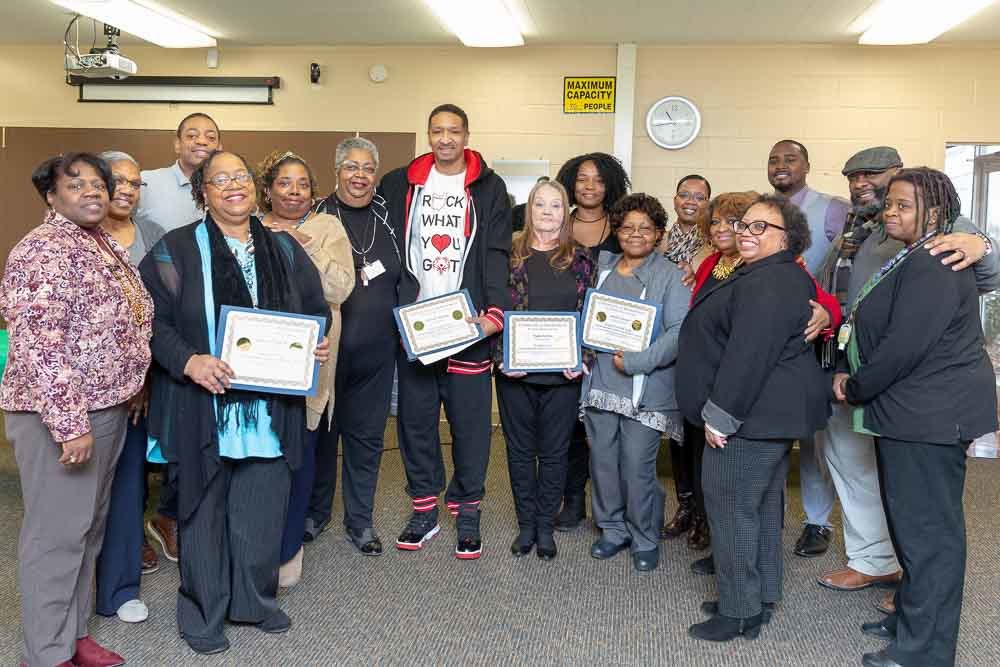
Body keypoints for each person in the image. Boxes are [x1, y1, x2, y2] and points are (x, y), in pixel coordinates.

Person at [138, 150, 330, 655]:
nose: (233, 186)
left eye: (241, 176)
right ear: (203, 192)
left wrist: (317, 341)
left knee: (261, 508)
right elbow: (151, 321)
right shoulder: (174, 251)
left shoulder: (285, 249)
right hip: (205, 403)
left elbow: (314, 310)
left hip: (269, 407)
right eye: (219, 179)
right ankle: (203, 613)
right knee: (203, 511)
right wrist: (189, 361)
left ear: (256, 186)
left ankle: (254, 602)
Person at [815, 148, 1000, 611]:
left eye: (872, 175)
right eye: (853, 175)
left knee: (921, 509)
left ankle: (916, 596)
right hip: (856, 367)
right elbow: (836, 291)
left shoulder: (944, 234)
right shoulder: (859, 231)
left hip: (913, 390)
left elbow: (984, 272)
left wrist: (986, 246)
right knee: (858, 471)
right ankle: (874, 562)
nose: (861, 183)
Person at [3, 152, 153, 667]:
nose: (92, 191)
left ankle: (73, 637)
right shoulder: (43, 251)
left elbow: (124, 323)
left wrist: (132, 383)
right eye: (76, 184)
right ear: (51, 195)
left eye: (99, 183)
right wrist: (69, 426)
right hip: (60, 418)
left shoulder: (99, 243)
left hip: (106, 409)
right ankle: (45, 655)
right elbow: (41, 347)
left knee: (88, 528)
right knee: (56, 536)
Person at [679, 195, 829, 642]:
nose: (746, 231)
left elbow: (749, 355)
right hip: (766, 416)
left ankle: (738, 611)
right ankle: (761, 595)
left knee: (731, 511)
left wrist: (721, 417)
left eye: (761, 227)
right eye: (745, 224)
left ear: (789, 239)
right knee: (760, 509)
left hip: (748, 418)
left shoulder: (771, 280)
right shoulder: (765, 274)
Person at [380, 103, 511, 559]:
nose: (445, 139)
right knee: (416, 424)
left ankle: (468, 506)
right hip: (416, 328)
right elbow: (387, 246)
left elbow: (496, 253)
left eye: (454, 131)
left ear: (467, 135)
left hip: (468, 326)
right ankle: (424, 508)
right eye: (437, 130)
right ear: (428, 134)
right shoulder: (400, 182)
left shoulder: (490, 188)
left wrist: (495, 312)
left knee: (471, 425)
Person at [256, 150, 355, 583]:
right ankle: (256, 541)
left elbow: (342, 286)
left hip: (312, 358)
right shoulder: (250, 225)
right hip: (259, 358)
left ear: (313, 192)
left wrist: (304, 244)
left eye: (302, 185)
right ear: (268, 189)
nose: (293, 192)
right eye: (284, 183)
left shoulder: (327, 227)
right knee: (261, 451)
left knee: (303, 451)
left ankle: (289, 549)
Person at [580, 193, 688, 573]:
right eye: (628, 227)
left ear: (659, 233)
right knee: (604, 462)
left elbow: (679, 331)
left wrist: (640, 361)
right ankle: (612, 529)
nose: (636, 234)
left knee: (636, 466)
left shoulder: (671, 275)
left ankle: (645, 535)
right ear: (617, 230)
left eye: (645, 228)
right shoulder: (602, 268)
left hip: (645, 387)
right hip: (601, 384)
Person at [303, 137, 400, 556]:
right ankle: (316, 512)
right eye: (351, 167)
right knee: (323, 433)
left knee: (366, 438)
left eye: (367, 168)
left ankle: (360, 521)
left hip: (378, 351)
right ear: (337, 170)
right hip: (330, 349)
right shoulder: (316, 217)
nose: (359, 176)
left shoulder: (390, 218)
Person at [135, 112, 222, 564]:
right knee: (156, 421)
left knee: (192, 418)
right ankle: (153, 521)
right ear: (176, 143)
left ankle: (179, 511)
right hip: (156, 316)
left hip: (203, 324)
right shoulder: (147, 183)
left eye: (211, 136)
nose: (201, 142)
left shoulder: (226, 188)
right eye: (192, 135)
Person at [494, 180, 595, 561]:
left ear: (564, 211)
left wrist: (583, 359)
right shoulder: (508, 256)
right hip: (514, 374)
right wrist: (500, 357)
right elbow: (494, 310)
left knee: (554, 454)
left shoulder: (581, 259)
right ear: (529, 210)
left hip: (562, 377)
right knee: (519, 453)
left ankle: (545, 526)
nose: (548, 212)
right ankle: (525, 526)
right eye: (540, 205)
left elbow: (590, 316)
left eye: (556, 205)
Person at [92, 151, 166, 625]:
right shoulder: (76, 237)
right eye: (116, 180)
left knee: (126, 486)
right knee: (79, 495)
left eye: (136, 183)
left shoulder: (154, 236)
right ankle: (75, 592)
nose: (126, 189)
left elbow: (167, 307)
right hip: (85, 391)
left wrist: (141, 377)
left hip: (141, 386)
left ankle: (119, 588)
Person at [766, 139, 848, 558]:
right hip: (770, 336)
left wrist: (829, 314)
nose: (781, 166)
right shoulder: (759, 211)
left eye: (790, 159)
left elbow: (845, 272)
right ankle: (769, 518)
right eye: (774, 160)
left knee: (814, 434)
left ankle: (817, 522)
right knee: (768, 430)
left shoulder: (833, 209)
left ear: (807, 165)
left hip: (816, 334)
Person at [552, 151, 632, 531]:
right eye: (582, 178)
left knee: (603, 427)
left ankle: (608, 506)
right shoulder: (556, 226)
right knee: (567, 425)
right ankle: (571, 500)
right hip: (562, 340)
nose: (589, 186)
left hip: (607, 342)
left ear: (609, 185)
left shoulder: (622, 231)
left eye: (598, 180)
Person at [660, 174, 712, 550]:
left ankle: (705, 515)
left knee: (698, 434)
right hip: (663, 340)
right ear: (675, 199)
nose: (691, 201)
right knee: (676, 433)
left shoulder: (717, 242)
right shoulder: (659, 237)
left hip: (698, 345)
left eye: (700, 196)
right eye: (685, 194)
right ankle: (685, 506)